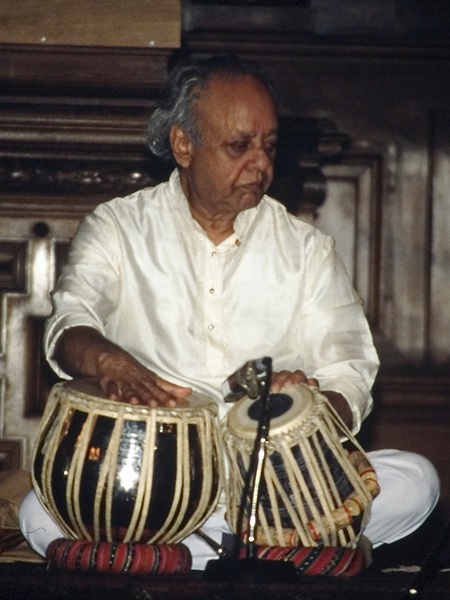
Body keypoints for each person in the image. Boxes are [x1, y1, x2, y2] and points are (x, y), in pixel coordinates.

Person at [19, 54, 439, 570]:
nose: (261, 165)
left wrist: (306, 411)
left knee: (417, 481)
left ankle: (182, 559)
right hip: (153, 483)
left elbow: (351, 370)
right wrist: (111, 363)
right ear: (183, 145)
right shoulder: (118, 228)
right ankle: (270, 556)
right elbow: (69, 323)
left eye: (269, 146)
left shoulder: (307, 249)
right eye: (240, 146)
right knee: (37, 512)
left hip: (276, 488)